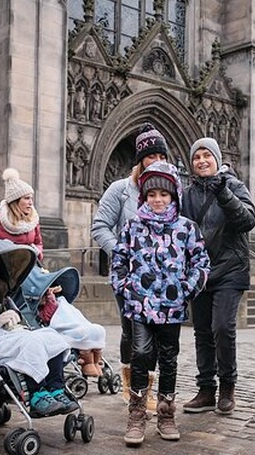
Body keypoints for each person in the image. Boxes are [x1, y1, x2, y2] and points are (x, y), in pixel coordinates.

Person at [110, 161, 210, 446]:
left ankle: (166, 413)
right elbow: (118, 260)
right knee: (140, 353)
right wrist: (125, 286)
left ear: (173, 196)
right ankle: (137, 413)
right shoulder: (132, 226)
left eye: (163, 195)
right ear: (144, 197)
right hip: (139, 304)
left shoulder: (186, 228)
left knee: (168, 358)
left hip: (171, 306)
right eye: (152, 194)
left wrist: (186, 288)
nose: (157, 200)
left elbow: (201, 263)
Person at [0, 167, 106, 376]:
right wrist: (8, 252)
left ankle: (88, 350)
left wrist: (33, 252)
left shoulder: (32, 220)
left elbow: (39, 244)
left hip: (31, 269)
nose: (30, 202)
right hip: (6, 274)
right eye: (26, 198)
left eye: (31, 198)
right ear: (15, 200)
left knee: (55, 296)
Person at [91, 122, 168, 410]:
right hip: (127, 276)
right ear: (140, 160)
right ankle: (130, 385)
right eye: (151, 157)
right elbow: (99, 227)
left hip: (160, 277)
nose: (157, 162)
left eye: (162, 157)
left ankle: (146, 388)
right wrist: (122, 254)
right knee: (133, 332)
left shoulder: (168, 190)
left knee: (156, 333)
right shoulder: (121, 190)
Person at [181, 137, 255, 416]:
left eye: (207, 156)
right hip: (200, 273)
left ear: (216, 158)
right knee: (202, 332)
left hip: (230, 270)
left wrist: (224, 193)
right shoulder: (187, 195)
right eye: (197, 157)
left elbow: (248, 221)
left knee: (222, 327)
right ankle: (206, 389)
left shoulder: (234, 186)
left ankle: (227, 387)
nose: (202, 161)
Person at [0, 277, 78, 417]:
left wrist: (14, 316)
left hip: (14, 334)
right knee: (31, 342)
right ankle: (37, 392)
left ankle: (57, 388)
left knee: (52, 336)